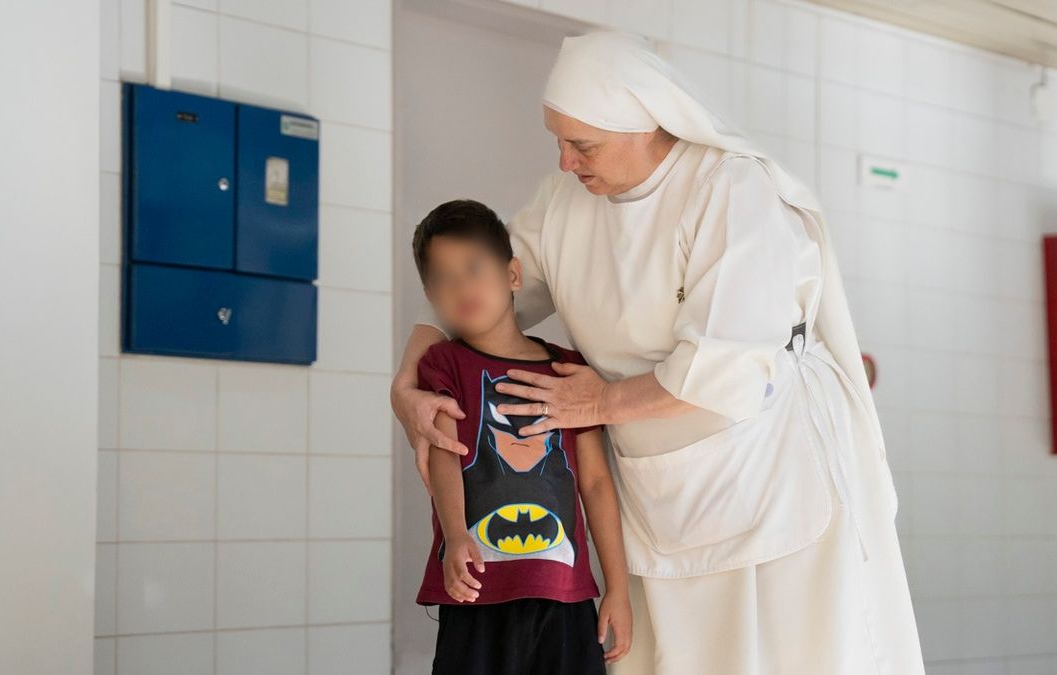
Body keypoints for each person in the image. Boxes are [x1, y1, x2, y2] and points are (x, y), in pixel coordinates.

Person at [392, 31, 926, 674]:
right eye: (557, 140)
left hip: (767, 468)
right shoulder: (566, 202)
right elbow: (475, 302)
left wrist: (604, 399)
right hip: (652, 487)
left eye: (581, 144)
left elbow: (729, 364)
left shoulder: (731, 188)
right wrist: (405, 387)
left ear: (644, 124)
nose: (564, 162)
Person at [409, 199, 633, 674]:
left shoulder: (566, 371)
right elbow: (445, 455)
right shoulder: (446, 364)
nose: (461, 287)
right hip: (475, 589)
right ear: (430, 294)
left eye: (473, 268)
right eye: (443, 278)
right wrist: (454, 538)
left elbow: (594, 482)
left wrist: (617, 586)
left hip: (564, 593)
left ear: (512, 275)